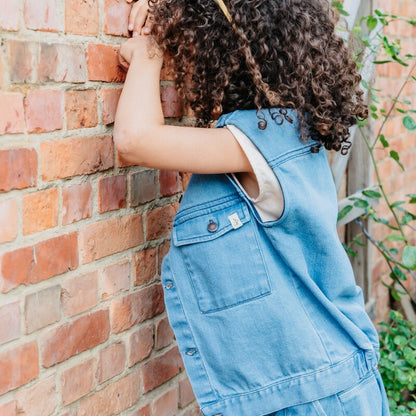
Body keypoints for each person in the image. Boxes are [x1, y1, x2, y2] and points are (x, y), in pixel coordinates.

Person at [114, 1, 391, 415]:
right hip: (334, 386)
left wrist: (151, 49)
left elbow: (135, 140)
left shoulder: (263, 139)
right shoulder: (295, 130)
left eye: (192, 44)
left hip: (317, 399)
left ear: (223, 53)